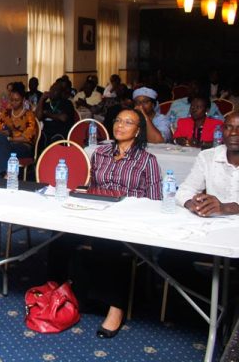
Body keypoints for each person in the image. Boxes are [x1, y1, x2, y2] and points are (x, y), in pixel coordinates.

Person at [49, 107, 162, 340]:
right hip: (96, 213)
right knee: (59, 237)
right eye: (118, 120)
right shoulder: (99, 153)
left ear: (138, 130)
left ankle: (115, 307)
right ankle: (59, 294)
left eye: (128, 122)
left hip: (127, 219)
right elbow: (92, 187)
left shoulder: (147, 161)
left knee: (107, 243)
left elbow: (155, 200)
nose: (120, 125)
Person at [176, 112, 239, 217]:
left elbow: (226, 208)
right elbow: (185, 190)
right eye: (228, 127)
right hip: (212, 222)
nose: (233, 133)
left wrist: (227, 208)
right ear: (222, 131)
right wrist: (193, 204)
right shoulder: (208, 157)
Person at [0, 82, 38, 179]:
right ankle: (6, 175)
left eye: (17, 100)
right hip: (8, 144)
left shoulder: (29, 115)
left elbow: (27, 137)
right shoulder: (6, 113)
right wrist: (6, 134)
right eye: (12, 100)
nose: (13, 103)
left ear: (23, 99)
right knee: (0, 143)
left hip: (23, 147)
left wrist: (10, 137)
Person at [35, 80, 76, 144]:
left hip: (60, 132)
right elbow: (37, 117)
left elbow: (63, 118)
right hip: (46, 132)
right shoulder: (46, 104)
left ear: (61, 93)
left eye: (55, 90)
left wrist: (47, 114)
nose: (52, 92)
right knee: (38, 137)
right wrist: (41, 99)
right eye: (51, 90)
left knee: (56, 139)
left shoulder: (67, 103)